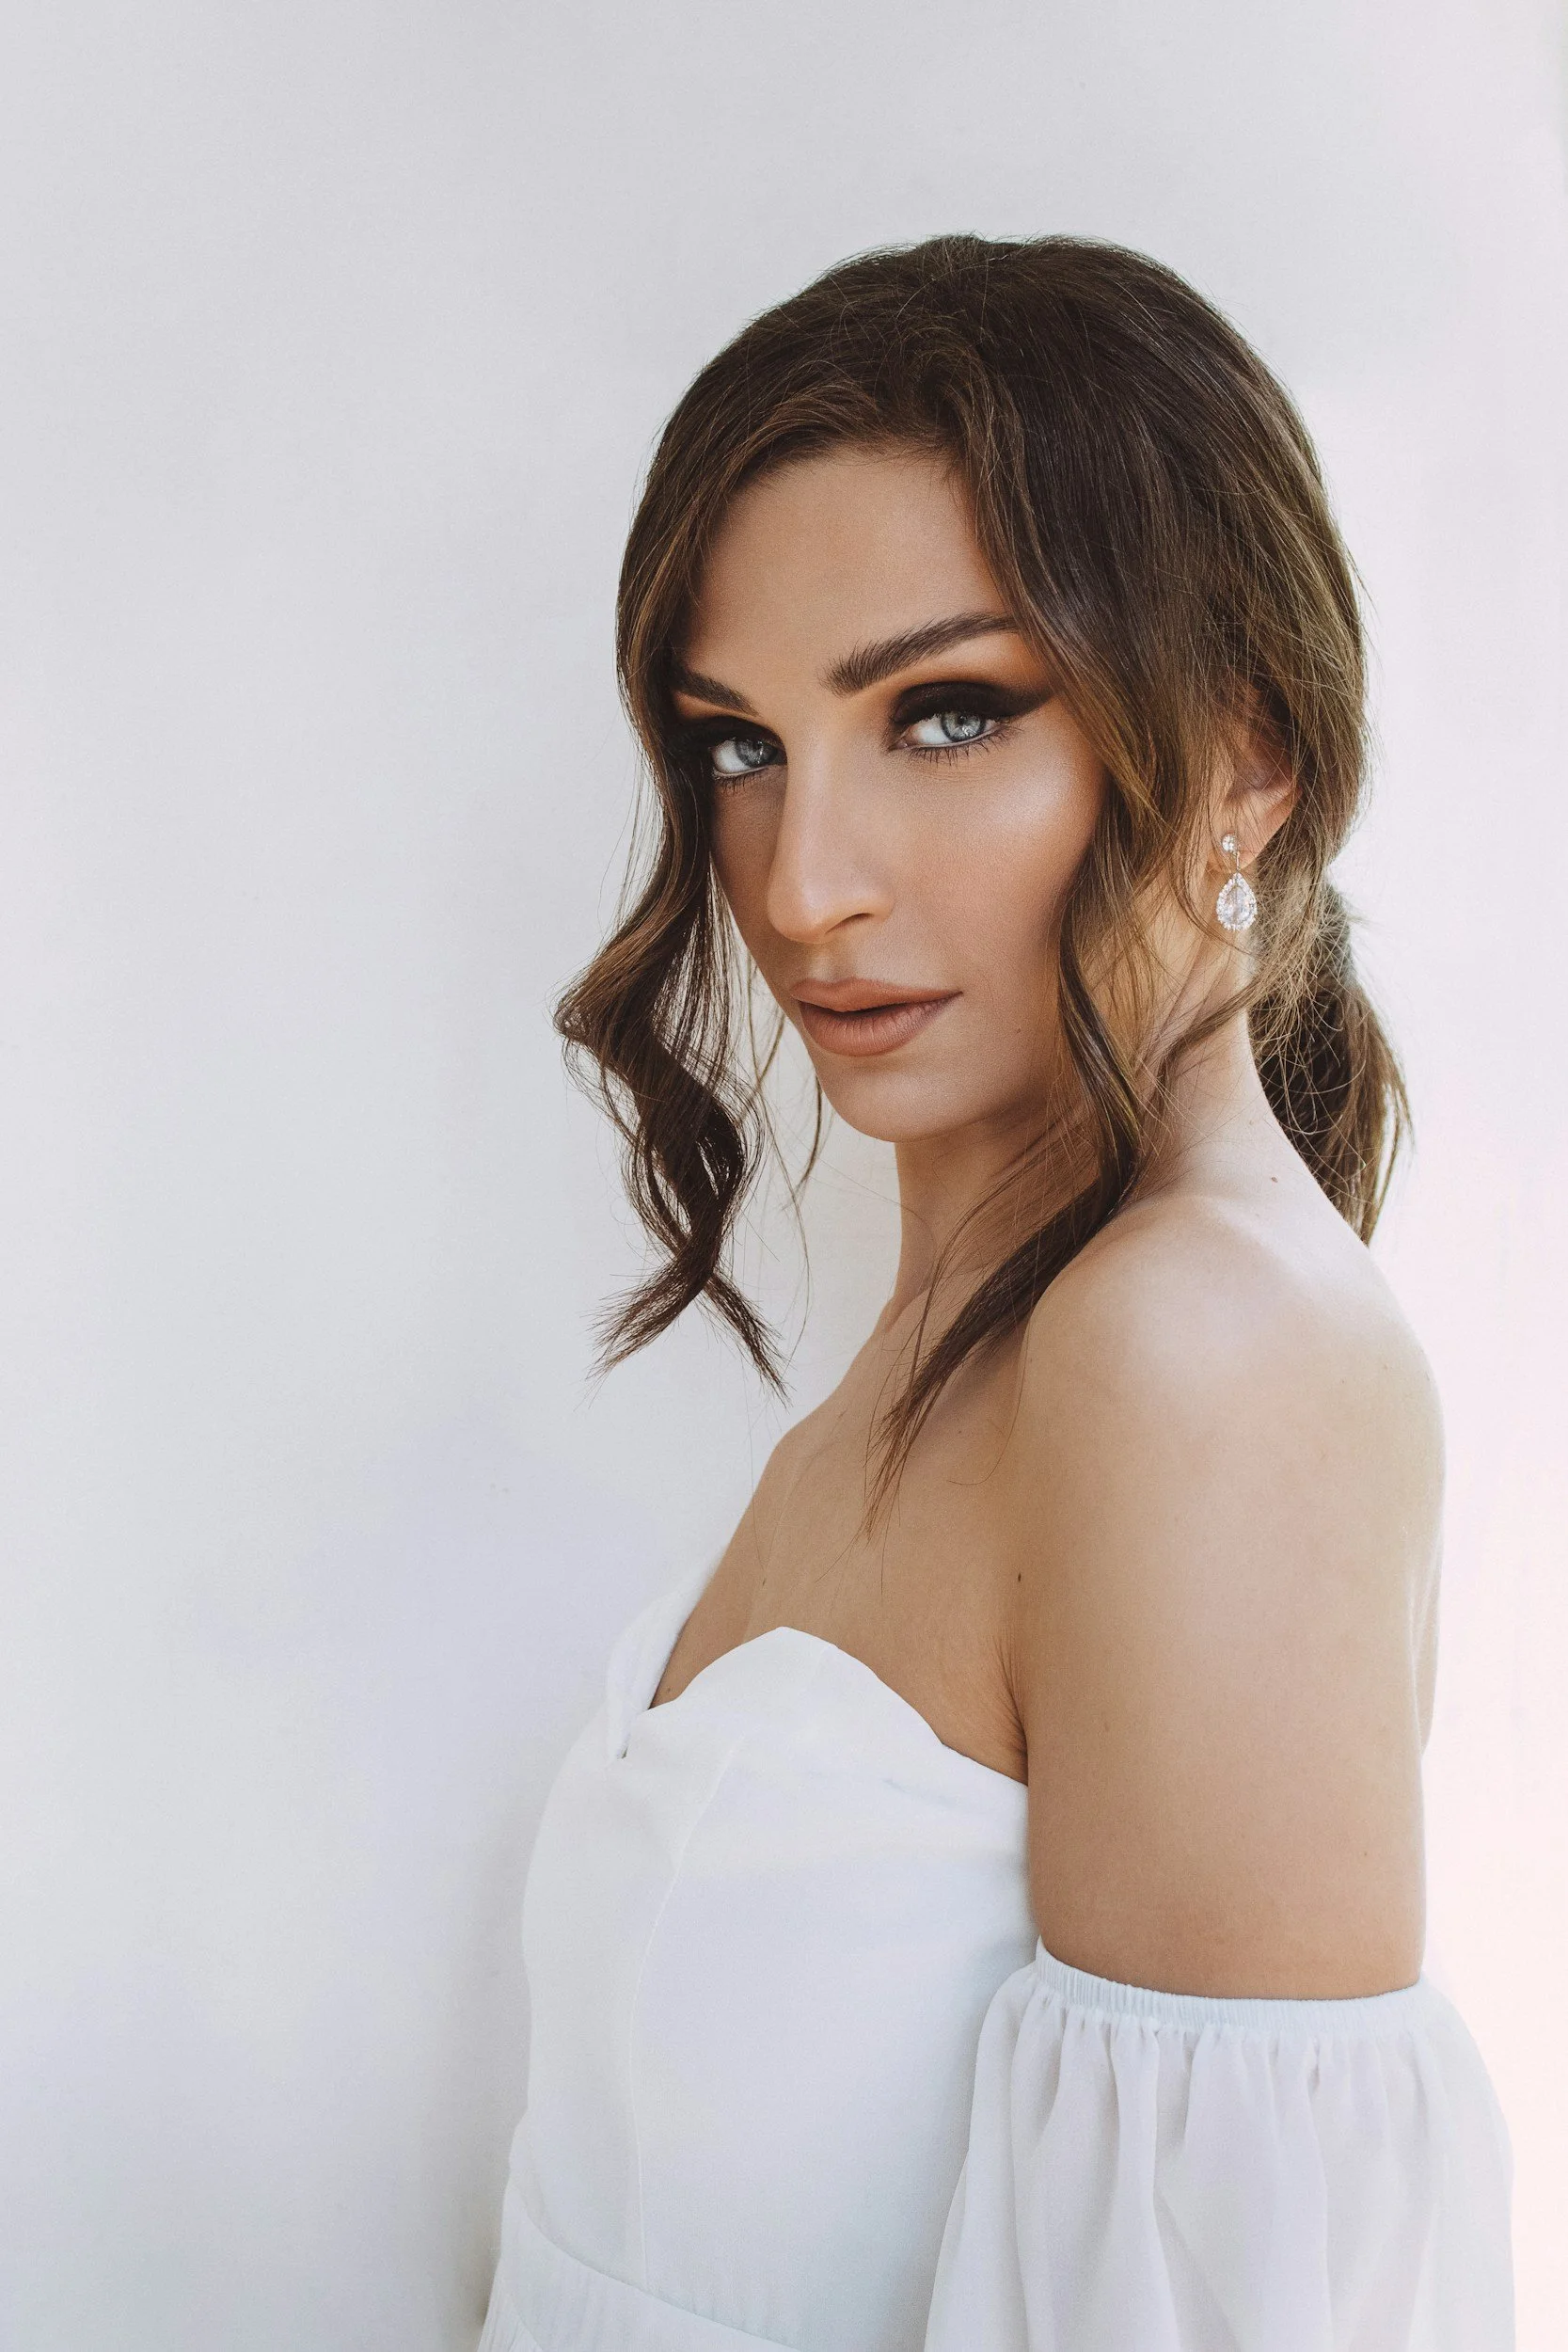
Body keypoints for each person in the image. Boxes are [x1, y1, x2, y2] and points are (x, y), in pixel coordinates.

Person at [478, 235, 1514, 2351]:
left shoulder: (1193, 1357)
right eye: (737, 742)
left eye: (941, 714)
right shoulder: (977, 1340)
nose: (797, 881)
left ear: (1244, 756)